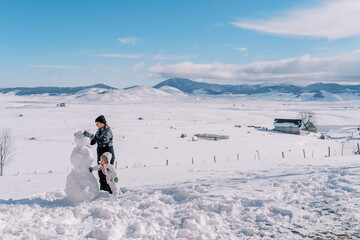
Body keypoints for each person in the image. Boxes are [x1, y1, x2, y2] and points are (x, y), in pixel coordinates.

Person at [84, 115, 115, 194]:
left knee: (107, 172)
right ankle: (103, 191)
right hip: (100, 152)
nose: (96, 125)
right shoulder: (99, 131)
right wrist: (85, 139)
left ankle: (111, 191)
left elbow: (102, 140)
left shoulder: (108, 131)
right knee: (101, 172)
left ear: (103, 123)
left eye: (98, 123)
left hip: (107, 153)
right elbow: (94, 141)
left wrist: (91, 135)